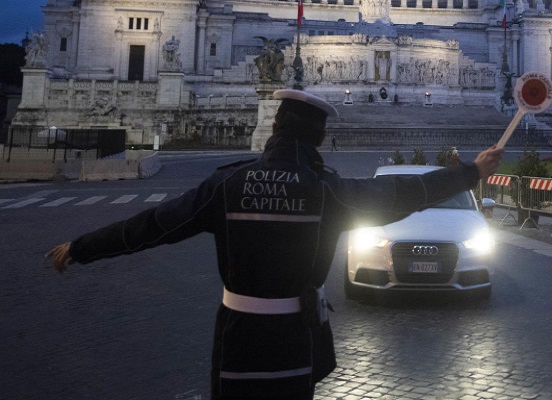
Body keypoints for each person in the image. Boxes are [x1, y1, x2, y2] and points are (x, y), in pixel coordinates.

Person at [45, 89, 503, 400]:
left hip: (238, 335)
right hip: (296, 337)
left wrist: (83, 246)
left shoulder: (228, 183)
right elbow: (403, 195)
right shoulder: (329, 189)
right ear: (320, 137)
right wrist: (470, 172)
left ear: (274, 128)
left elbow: (152, 227)